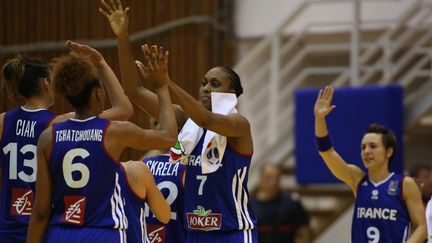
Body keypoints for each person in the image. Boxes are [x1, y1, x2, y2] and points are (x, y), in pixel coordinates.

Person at [27, 41, 177, 243]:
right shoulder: (113, 132)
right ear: (98, 93)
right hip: (103, 233)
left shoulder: (48, 137)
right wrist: (160, 86)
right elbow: (168, 136)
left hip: (61, 234)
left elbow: (40, 212)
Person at [0, 41, 132, 243]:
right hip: (40, 229)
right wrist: (101, 62)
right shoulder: (58, 125)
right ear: (46, 83)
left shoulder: (3, 121)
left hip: (6, 228)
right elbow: (124, 110)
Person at [314, 86, 427, 243]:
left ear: (389, 152)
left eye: (373, 146)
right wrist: (319, 119)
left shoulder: (404, 184)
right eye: (363, 147)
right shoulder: (357, 179)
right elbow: (327, 153)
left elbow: (422, 228)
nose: (366, 151)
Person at [250, 164, 311, 243]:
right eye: (269, 178)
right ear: (261, 180)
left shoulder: (291, 204)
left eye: (277, 178)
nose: (274, 182)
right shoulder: (250, 206)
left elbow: (304, 232)